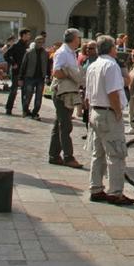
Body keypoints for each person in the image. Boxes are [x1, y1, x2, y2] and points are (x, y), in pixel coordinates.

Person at [85, 34, 134, 205]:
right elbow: (113, 92)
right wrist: (118, 111)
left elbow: (88, 93)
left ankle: (96, 188)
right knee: (116, 153)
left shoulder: (93, 65)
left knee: (97, 153)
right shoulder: (111, 65)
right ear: (111, 48)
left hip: (95, 111)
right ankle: (115, 192)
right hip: (108, 113)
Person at [48, 28, 84, 168]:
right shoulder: (63, 52)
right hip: (62, 92)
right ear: (74, 38)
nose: (79, 40)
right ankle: (68, 157)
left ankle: (54, 155)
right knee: (65, 125)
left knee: (59, 125)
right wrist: (70, 75)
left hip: (67, 92)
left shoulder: (71, 52)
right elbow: (56, 72)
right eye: (78, 38)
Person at [3, 28, 31, 115]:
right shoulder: (16, 45)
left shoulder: (27, 46)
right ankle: (9, 108)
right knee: (14, 90)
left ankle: (25, 110)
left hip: (24, 71)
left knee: (25, 91)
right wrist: (13, 63)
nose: (29, 36)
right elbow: (6, 55)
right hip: (16, 71)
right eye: (28, 34)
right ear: (23, 35)